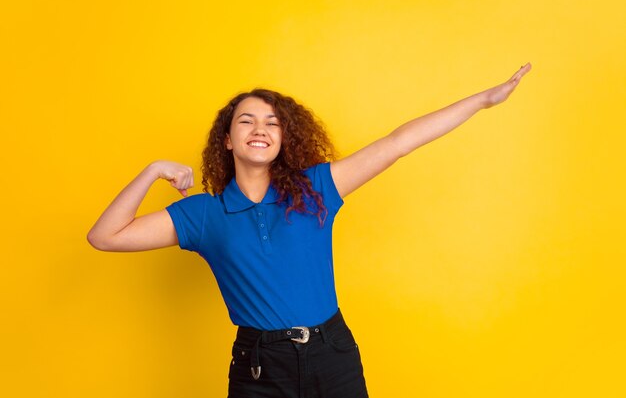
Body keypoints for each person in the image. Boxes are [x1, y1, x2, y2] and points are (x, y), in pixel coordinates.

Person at [87, 63, 532, 397]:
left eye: (272, 123)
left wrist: (483, 101)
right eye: (246, 120)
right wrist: (152, 171)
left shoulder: (315, 188)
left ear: (283, 139)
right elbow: (105, 236)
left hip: (331, 355)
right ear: (227, 139)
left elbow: (399, 142)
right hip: (259, 366)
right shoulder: (202, 215)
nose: (260, 129)